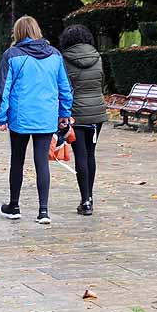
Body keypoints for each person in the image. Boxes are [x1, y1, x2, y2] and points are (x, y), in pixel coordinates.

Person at [0, 15, 73, 226]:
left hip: (20, 118)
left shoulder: (12, 55)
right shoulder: (55, 55)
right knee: (41, 163)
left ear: (18, 32)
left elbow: (4, 88)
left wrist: (0, 117)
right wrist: (64, 113)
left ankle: (14, 205)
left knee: (17, 161)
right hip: (46, 117)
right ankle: (43, 211)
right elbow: (65, 87)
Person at [59, 24, 105, 217]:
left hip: (75, 114)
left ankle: (85, 200)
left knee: (81, 155)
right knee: (91, 154)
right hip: (97, 113)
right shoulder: (98, 57)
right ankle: (90, 197)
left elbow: (62, 87)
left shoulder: (63, 59)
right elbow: (101, 82)